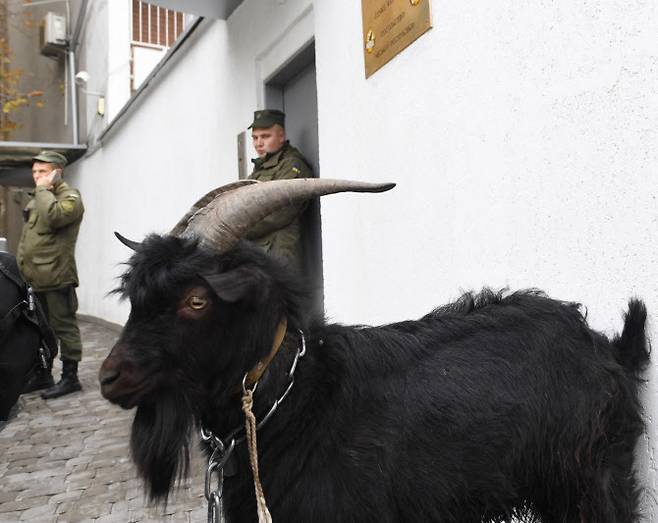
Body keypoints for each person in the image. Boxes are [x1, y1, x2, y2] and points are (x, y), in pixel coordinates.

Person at [17, 150, 85, 399]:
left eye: (42, 171)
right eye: (35, 172)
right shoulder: (38, 199)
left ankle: (71, 377)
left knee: (64, 327)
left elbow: (55, 217)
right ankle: (43, 374)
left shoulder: (70, 198)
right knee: (40, 330)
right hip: (35, 278)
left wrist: (44, 190)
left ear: (58, 171)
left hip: (57, 276)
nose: (36, 177)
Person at [245, 109, 313, 271]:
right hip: (258, 256)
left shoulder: (293, 166)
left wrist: (238, 228)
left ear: (281, 136)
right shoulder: (259, 169)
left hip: (278, 257)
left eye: (265, 136)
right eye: (255, 138)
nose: (258, 143)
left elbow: (278, 212)